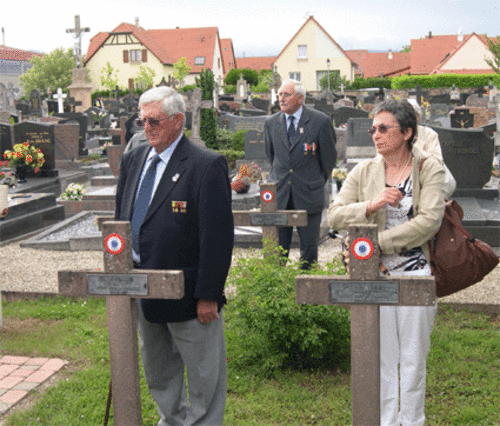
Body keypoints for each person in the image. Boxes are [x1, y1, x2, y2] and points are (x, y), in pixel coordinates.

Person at [115, 86, 234, 426]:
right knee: (158, 371)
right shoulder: (133, 158)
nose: (147, 128)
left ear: (178, 120)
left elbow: (217, 236)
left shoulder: (205, 165)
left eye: (154, 120)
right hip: (142, 289)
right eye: (142, 121)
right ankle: (171, 421)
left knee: (203, 376)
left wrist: (209, 295)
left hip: (189, 295)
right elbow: (122, 216)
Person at [327, 99, 445, 426]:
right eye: (372, 129)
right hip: (373, 278)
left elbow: (429, 221)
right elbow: (334, 216)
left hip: (414, 276)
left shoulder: (427, 169)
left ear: (407, 132)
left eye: (383, 128)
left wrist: (377, 244)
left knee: (411, 362)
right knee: (381, 361)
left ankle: (411, 422)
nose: (375, 136)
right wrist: (370, 204)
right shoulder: (364, 171)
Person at [264, 79, 337, 269]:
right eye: (280, 95)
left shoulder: (320, 121)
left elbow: (328, 159)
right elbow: (272, 157)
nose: (281, 99)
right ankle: (277, 288)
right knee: (278, 250)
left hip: (308, 194)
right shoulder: (271, 123)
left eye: (286, 95)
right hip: (280, 196)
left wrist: (315, 181)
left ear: (300, 98)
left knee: (309, 250)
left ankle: (309, 289)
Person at [407, 98, 456, 198]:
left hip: (428, 181)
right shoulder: (392, 134)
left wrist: (414, 149)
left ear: (418, 117)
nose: (407, 119)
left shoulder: (428, 133)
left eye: (411, 115)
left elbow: (437, 161)